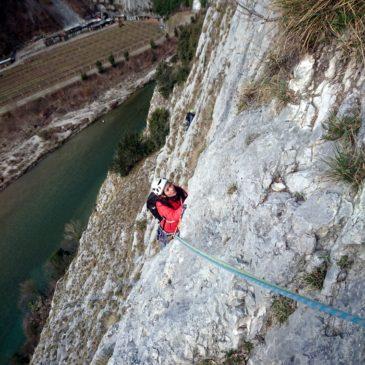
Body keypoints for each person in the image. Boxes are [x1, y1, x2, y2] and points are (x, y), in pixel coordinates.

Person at [149, 178, 188, 248]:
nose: (171, 189)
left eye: (170, 185)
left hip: (177, 228)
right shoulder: (160, 204)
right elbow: (173, 216)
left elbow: (186, 196)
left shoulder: (178, 190)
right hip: (167, 235)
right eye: (167, 190)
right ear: (163, 195)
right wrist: (184, 207)